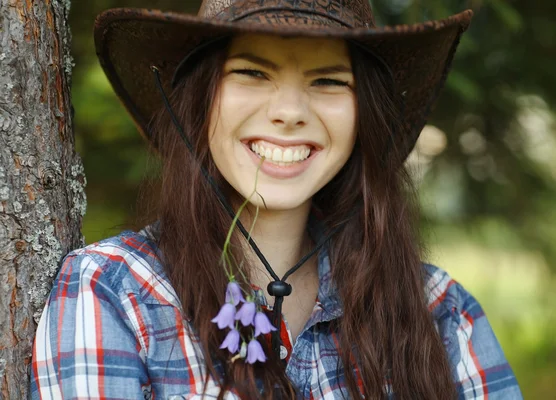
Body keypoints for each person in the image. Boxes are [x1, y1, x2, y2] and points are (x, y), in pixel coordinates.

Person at [30, 0, 523, 399]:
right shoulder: (117, 293)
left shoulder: (440, 313)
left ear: (364, 114)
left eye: (329, 80)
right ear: (200, 99)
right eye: (251, 72)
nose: (289, 112)